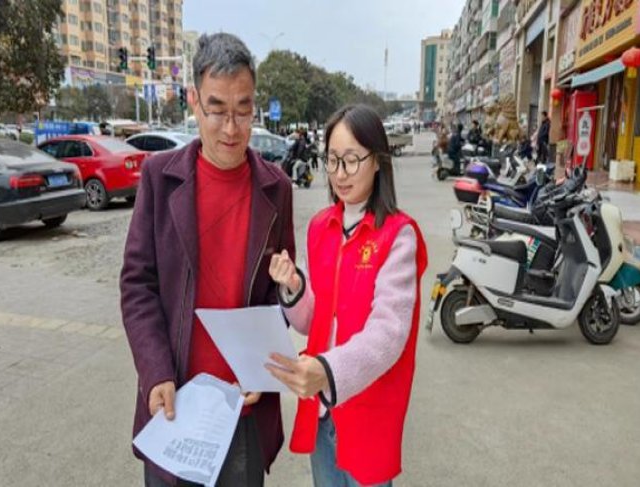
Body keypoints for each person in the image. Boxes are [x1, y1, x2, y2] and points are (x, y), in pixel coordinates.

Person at [120, 32, 295, 487]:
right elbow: (138, 284)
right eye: (217, 109)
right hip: (175, 402)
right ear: (194, 101)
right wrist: (155, 371)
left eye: (243, 110)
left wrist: (262, 368)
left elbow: (277, 295)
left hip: (242, 407)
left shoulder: (276, 188)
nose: (231, 129)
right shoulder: (159, 177)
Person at [266, 104, 428, 486]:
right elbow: (313, 320)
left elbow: (389, 333)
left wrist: (326, 371)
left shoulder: (397, 235)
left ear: (378, 161)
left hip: (368, 410)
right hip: (323, 412)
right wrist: (294, 288)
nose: (340, 173)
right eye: (333, 159)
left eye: (352, 160)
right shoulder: (321, 227)